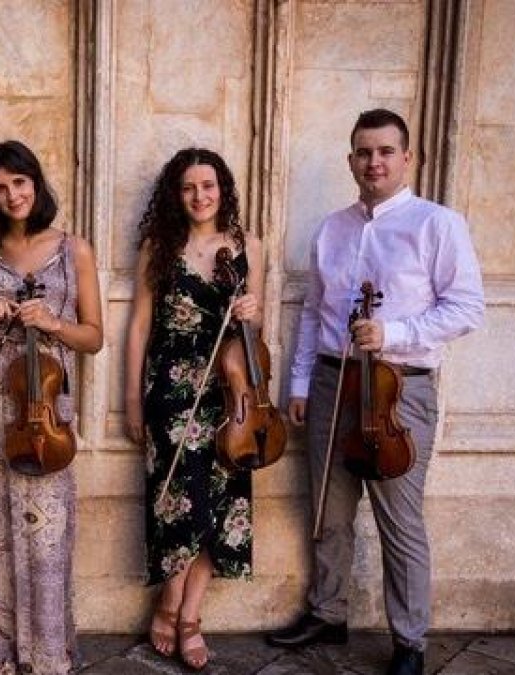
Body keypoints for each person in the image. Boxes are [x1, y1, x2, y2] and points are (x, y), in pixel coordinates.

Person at [266, 109, 484, 675]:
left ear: (408, 158)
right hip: (333, 382)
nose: (374, 162)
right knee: (328, 511)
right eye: (364, 152)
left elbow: (466, 308)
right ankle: (327, 613)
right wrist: (298, 383)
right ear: (351, 160)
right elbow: (315, 312)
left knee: (400, 521)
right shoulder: (333, 228)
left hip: (398, 388)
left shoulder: (437, 224)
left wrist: (395, 333)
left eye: (386, 151)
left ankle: (410, 641)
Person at [0, 140, 103, 675]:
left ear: (37, 182)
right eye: (1, 187)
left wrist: (54, 323)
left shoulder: (74, 249)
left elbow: (95, 337)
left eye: (21, 182)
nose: (13, 195)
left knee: (44, 532)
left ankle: (43, 650)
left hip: (42, 408)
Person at [123, 148, 264, 671]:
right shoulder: (160, 247)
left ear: (223, 189)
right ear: (175, 195)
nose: (200, 196)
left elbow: (258, 337)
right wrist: (133, 399)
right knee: (178, 503)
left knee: (221, 509)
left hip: (231, 398)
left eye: (208, 185)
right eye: (188, 187)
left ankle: (189, 616)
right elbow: (139, 325)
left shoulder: (251, 247)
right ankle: (167, 603)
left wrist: (253, 312)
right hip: (172, 391)